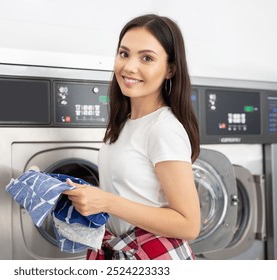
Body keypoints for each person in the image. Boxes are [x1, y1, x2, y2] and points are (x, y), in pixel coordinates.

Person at [63, 14, 201, 260]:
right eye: (124, 53)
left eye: (146, 58)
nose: (129, 67)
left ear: (170, 69)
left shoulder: (163, 128)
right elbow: (130, 192)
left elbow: (189, 225)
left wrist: (106, 202)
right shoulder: (123, 123)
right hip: (125, 253)